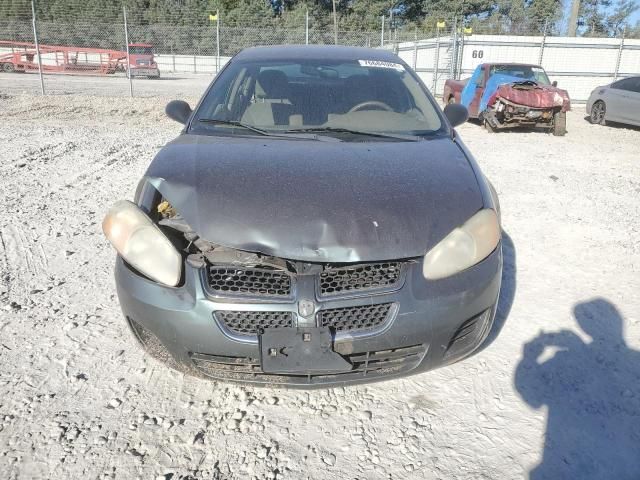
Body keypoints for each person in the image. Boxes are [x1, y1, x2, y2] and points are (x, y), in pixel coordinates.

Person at [515, 298, 640, 479]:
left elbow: (532, 397)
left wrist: (529, 358)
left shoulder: (562, 361)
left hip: (564, 463)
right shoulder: (635, 361)